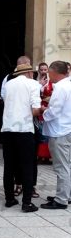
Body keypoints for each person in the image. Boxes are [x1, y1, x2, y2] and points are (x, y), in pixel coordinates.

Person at [1, 63, 43, 212]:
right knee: (27, 166)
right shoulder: (33, 84)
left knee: (9, 166)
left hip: (7, 129)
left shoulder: (8, 84)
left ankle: (9, 199)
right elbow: (35, 110)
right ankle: (27, 202)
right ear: (30, 73)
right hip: (24, 130)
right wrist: (43, 108)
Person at [40, 61, 71, 209]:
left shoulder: (60, 87)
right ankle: (66, 194)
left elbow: (55, 110)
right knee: (68, 165)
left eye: (49, 73)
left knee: (62, 167)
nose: (48, 75)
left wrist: (43, 112)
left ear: (55, 72)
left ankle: (61, 199)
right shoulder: (69, 85)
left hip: (60, 131)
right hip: (67, 129)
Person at [36, 62, 52, 164]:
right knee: (39, 132)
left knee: (46, 133)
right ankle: (39, 155)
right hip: (38, 109)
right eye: (41, 70)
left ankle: (46, 156)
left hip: (47, 108)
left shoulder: (52, 83)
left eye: (45, 70)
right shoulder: (35, 82)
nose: (43, 72)